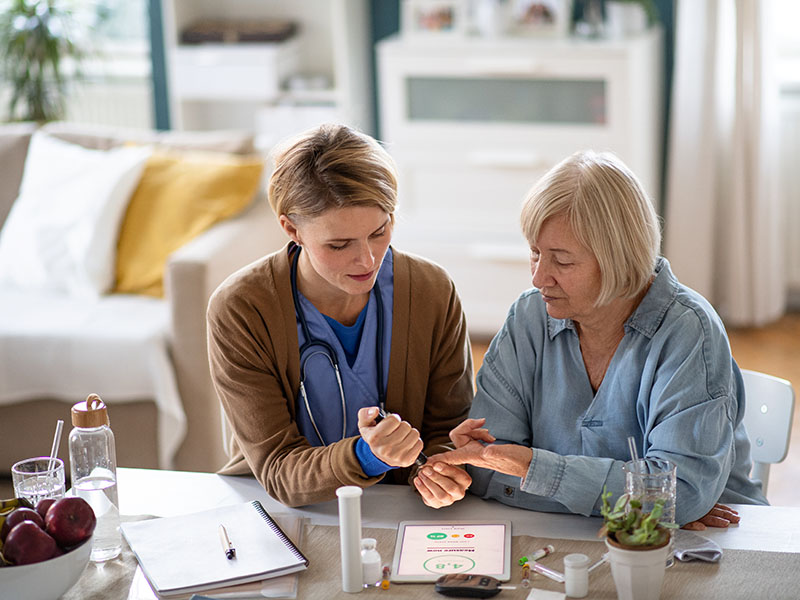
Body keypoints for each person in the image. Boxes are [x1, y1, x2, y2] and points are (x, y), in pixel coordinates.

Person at [427, 150, 767, 527]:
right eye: (535, 254)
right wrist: (642, 503)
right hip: (586, 536)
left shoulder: (690, 331)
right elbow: (488, 469)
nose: (539, 278)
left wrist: (533, 470)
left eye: (563, 260)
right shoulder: (529, 316)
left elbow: (680, 495)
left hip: (715, 544)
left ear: (619, 257)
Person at [206, 124, 473, 508]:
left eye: (379, 232)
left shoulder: (431, 290)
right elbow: (278, 468)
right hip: (280, 510)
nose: (367, 260)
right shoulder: (242, 308)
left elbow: (447, 428)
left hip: (399, 506)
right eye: (338, 244)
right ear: (291, 229)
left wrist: (435, 470)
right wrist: (367, 456)